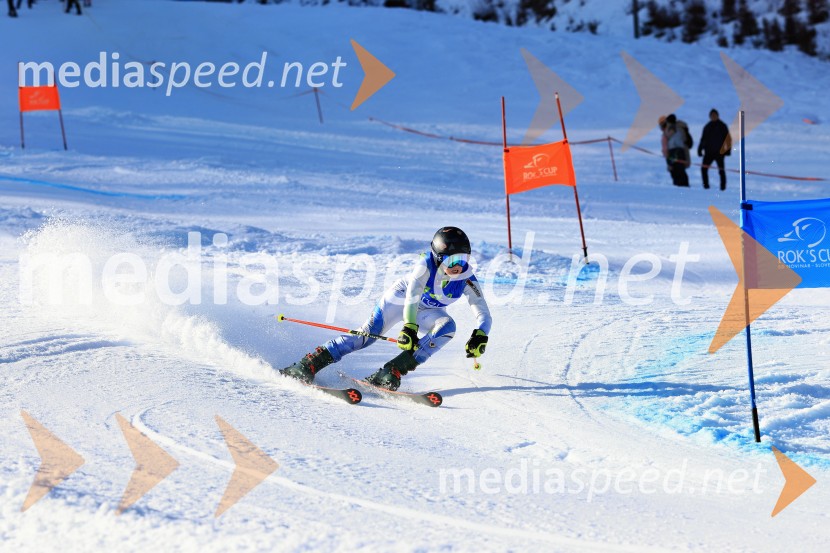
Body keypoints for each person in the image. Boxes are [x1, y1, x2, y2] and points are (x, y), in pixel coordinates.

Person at [281, 227, 492, 391]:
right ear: (438, 258)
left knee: (447, 327)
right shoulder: (425, 265)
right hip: (401, 300)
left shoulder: (466, 277)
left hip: (426, 310)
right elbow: (412, 297)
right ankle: (309, 363)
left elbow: (481, 309)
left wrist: (481, 334)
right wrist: (410, 327)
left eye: (464, 259)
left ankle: (391, 371)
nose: (459, 265)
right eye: (453, 259)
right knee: (366, 337)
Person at [698, 108, 731, 191]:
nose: (713, 117)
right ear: (710, 116)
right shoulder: (707, 127)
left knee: (721, 171)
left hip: (719, 153)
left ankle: (723, 188)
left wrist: (728, 150)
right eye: (712, 115)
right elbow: (703, 139)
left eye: (714, 115)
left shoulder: (722, 126)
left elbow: (728, 139)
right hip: (708, 153)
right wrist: (699, 149)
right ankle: (706, 187)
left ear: (717, 116)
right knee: (703, 169)